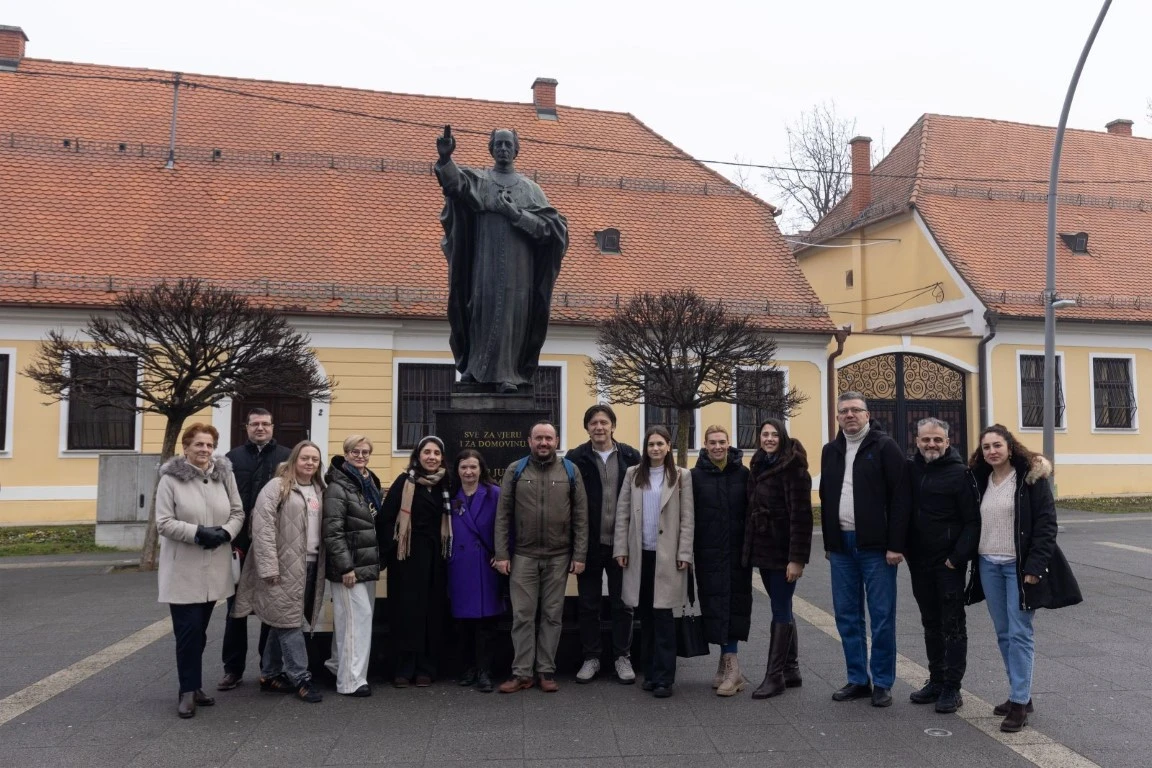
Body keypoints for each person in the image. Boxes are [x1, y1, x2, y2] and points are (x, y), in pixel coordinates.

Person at [435, 127, 569, 392]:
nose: (504, 149)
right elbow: (455, 185)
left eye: (508, 144)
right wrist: (445, 160)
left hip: (520, 272)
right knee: (479, 311)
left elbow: (552, 230)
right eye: (499, 144)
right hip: (483, 266)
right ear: (491, 148)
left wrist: (518, 215)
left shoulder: (530, 190)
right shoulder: (480, 180)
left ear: (516, 150)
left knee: (511, 317)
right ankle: (474, 369)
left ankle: (510, 374)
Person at [967, 425, 1081, 733]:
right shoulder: (981, 479)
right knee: (1004, 633)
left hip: (1019, 568)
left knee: (1020, 632)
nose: (992, 451)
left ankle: (1019, 703)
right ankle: (1021, 694)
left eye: (997, 445)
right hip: (988, 564)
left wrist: (1035, 565)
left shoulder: (1030, 478)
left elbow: (1046, 523)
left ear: (1009, 447)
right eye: (987, 446)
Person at [819, 392, 907, 707]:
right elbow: (826, 495)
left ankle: (882, 682)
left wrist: (896, 544)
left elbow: (901, 497)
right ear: (838, 416)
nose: (850, 415)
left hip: (877, 548)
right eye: (844, 411)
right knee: (847, 615)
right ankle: (858, 679)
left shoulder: (884, 447)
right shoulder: (830, 450)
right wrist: (830, 542)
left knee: (882, 616)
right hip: (841, 547)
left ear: (867, 415)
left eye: (856, 410)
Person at [155, 423, 244, 718]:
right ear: (186, 448)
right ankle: (187, 691)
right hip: (184, 569)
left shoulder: (224, 475)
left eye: (208, 445)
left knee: (200, 632)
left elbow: (238, 511)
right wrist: (198, 533)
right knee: (189, 631)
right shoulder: (170, 480)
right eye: (198, 445)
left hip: (214, 568)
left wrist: (226, 532)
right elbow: (164, 522)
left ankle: (194, 685)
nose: (204, 450)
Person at [493, 421, 589, 694]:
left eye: (548, 438)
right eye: (539, 438)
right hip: (523, 556)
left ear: (557, 440)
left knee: (552, 616)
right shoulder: (516, 470)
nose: (544, 443)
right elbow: (503, 516)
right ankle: (522, 673)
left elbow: (581, 517)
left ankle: (545, 671)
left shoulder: (570, 471)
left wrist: (579, 554)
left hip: (559, 557)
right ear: (529, 441)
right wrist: (501, 553)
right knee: (522, 616)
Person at [232, 440, 328, 704]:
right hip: (283, 567)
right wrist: (268, 567)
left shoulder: (320, 489)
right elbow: (261, 528)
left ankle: (270, 674)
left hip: (311, 564)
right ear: (295, 459)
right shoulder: (277, 487)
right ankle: (301, 678)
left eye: (315, 459)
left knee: (282, 618)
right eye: (305, 458)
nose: (310, 463)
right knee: (290, 623)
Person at [904, 418, 980, 714]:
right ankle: (936, 680)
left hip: (948, 564)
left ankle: (952, 687)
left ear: (948, 442)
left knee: (952, 624)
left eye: (937, 440)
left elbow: (973, 521)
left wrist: (957, 557)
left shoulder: (961, 474)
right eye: (926, 440)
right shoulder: (911, 470)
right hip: (919, 561)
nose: (931, 444)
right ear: (917, 440)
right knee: (930, 622)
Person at [615, 425, 695, 698]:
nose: (655, 449)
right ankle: (649, 673)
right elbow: (623, 513)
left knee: (663, 619)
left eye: (660, 444)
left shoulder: (681, 476)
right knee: (645, 617)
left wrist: (684, 553)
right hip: (640, 556)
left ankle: (664, 678)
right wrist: (621, 549)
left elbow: (687, 519)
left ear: (668, 446)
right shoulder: (633, 474)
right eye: (651, 444)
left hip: (668, 558)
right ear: (645, 448)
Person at [566, 404, 642, 684]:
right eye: (593, 423)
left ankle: (623, 656)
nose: (599, 427)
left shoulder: (631, 456)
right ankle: (591, 657)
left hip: (622, 543)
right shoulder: (576, 458)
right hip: (589, 543)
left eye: (604, 422)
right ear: (587, 428)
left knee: (624, 603)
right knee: (589, 603)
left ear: (613, 425)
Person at [219, 408, 290, 691]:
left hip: (275, 544)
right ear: (246, 427)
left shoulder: (286, 456)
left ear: (273, 427)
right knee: (235, 609)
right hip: (239, 545)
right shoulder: (231, 459)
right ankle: (232, 669)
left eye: (265, 424)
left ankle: (268, 668)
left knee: (270, 608)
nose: (260, 428)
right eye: (255, 424)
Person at [743, 418, 813, 700]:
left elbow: (802, 518)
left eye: (774, 435)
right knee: (780, 605)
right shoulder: (760, 463)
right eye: (764, 434)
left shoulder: (794, 470)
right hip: (765, 551)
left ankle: (775, 677)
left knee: (780, 608)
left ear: (782, 437)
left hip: (784, 552)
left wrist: (796, 559)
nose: (769, 439)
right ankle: (791, 669)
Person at [379, 435, 453, 687]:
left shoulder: (447, 484)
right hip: (407, 560)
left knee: (432, 612)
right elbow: (387, 518)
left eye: (436, 453)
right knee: (406, 612)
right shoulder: (404, 482)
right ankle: (403, 667)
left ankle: (426, 667)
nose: (431, 457)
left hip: (437, 559)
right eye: (427, 452)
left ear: (442, 457)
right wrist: (393, 549)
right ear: (418, 456)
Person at [690, 425, 752, 697]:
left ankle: (733, 667)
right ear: (704, 445)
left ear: (729, 444)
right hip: (708, 553)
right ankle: (725, 663)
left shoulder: (743, 474)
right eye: (712, 442)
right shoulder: (694, 477)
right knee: (714, 604)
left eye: (722, 442)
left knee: (735, 603)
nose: (717, 446)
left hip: (738, 553)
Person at [322, 435, 383, 697]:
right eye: (355, 451)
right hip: (349, 568)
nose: (360, 455)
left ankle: (337, 666)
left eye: (365, 451)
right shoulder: (338, 486)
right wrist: (346, 567)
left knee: (350, 620)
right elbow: (333, 532)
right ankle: (351, 681)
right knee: (356, 621)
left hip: (366, 563)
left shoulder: (369, 482)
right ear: (345, 454)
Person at [448, 449, 505, 694]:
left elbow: (506, 526)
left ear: (481, 469)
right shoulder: (450, 496)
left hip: (486, 564)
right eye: (463, 467)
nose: (468, 472)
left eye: (473, 467)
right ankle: (468, 668)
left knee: (486, 624)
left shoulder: (494, 494)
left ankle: (485, 671)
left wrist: (503, 553)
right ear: (457, 470)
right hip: (459, 565)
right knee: (463, 624)